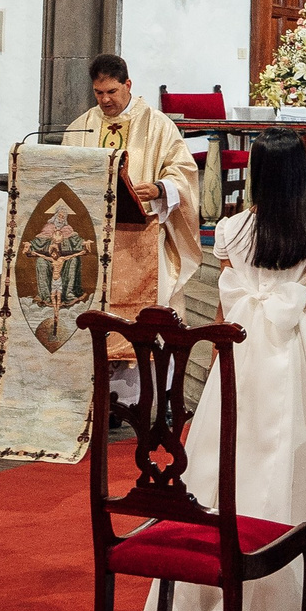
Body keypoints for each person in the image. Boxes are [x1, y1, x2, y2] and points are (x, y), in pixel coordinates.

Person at [139, 130, 306, 611]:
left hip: (239, 359)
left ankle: (216, 600)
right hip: (297, 360)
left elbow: (224, 313)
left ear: (258, 174)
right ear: (301, 175)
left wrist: (214, 374)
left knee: (229, 464)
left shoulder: (229, 228)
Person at [61, 53, 200, 407]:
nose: (105, 100)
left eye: (111, 91)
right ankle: (100, 403)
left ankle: (155, 400)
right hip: (94, 245)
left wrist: (158, 188)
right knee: (98, 319)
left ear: (128, 85)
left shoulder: (158, 125)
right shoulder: (80, 128)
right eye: (98, 93)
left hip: (145, 241)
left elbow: (183, 172)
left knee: (154, 317)